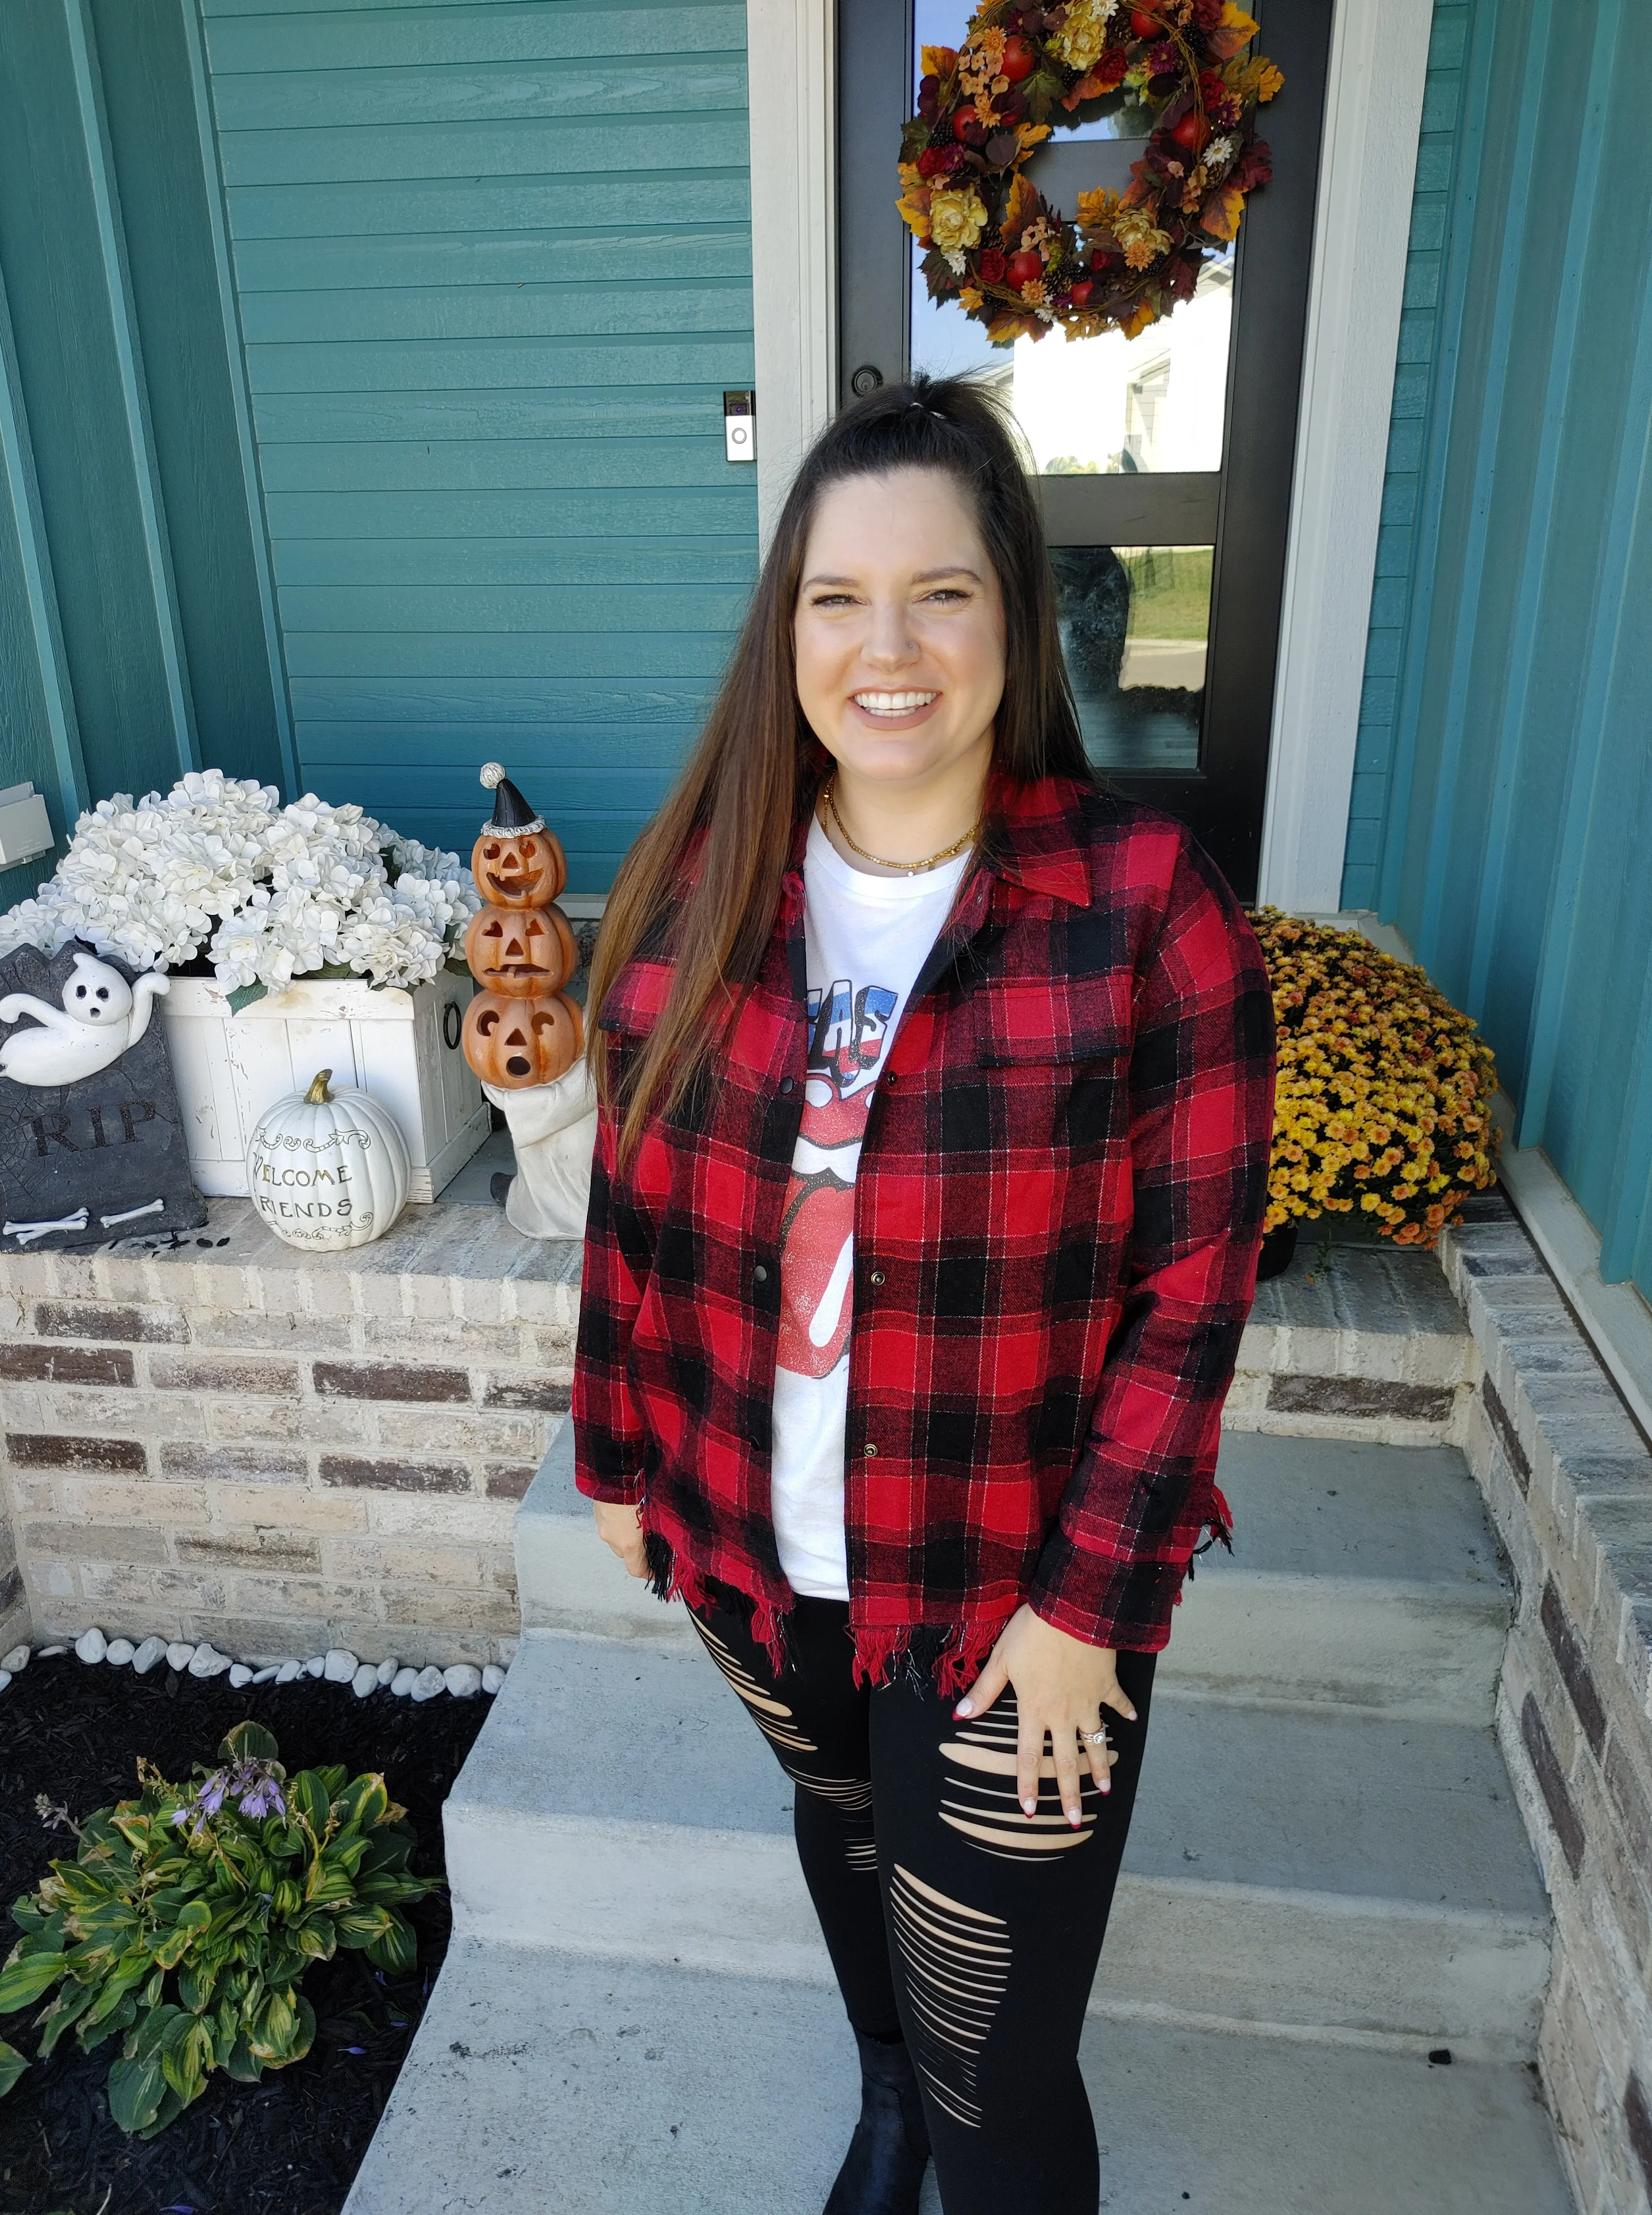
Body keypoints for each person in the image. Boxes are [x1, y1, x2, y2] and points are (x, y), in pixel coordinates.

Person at [573, 375, 1275, 2215]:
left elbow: (1193, 1288)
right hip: (756, 1540)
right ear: (785, 631)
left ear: (1013, 615)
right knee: (847, 1836)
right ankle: (880, 2112)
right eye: (834, 597)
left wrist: (1085, 1609)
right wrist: (620, 1468)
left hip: (1008, 1589)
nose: (884, 647)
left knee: (999, 2061)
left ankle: (936, 2124)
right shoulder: (699, 894)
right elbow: (627, 1206)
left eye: (938, 592)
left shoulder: (1138, 908)